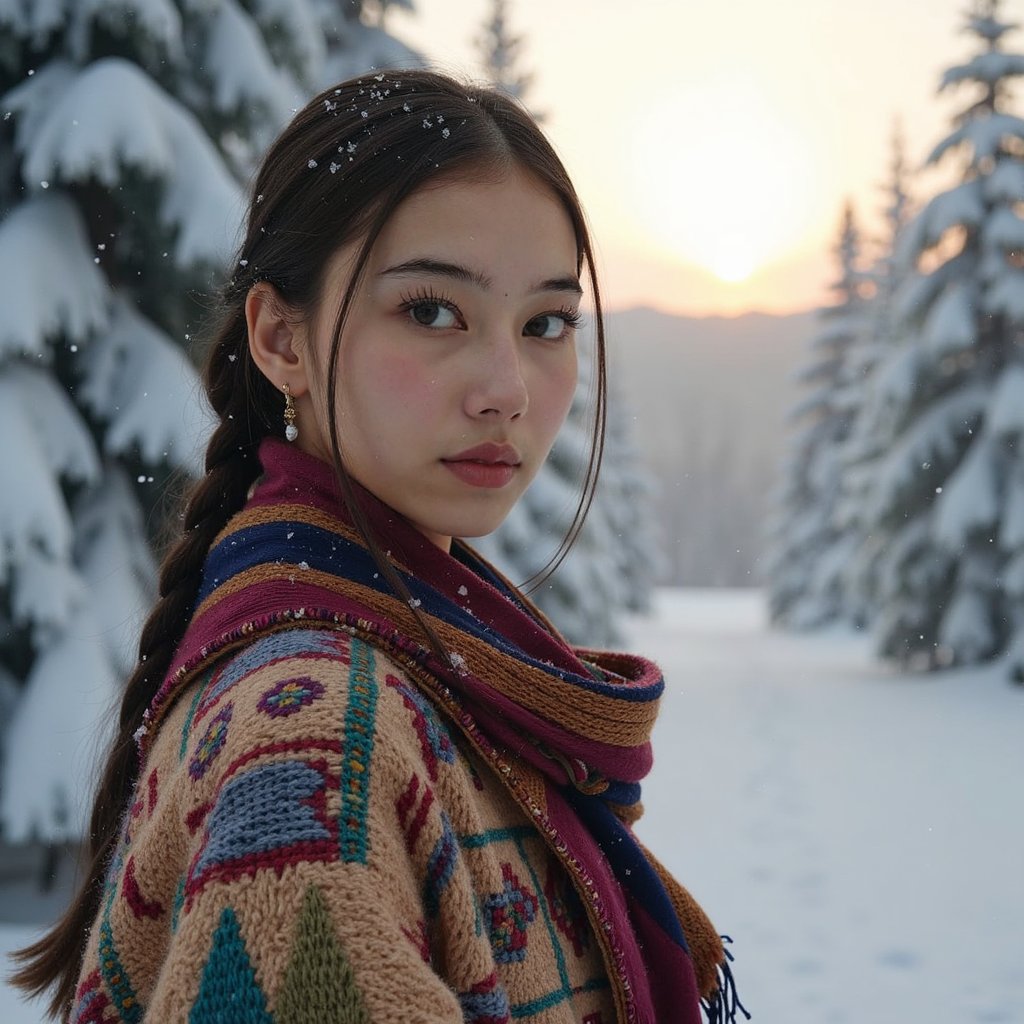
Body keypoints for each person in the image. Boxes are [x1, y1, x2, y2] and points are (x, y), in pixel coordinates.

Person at [12, 70, 743, 1024]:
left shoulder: (429, 666)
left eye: (546, 323)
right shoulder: (313, 734)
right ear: (282, 339)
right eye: (433, 311)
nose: (507, 388)